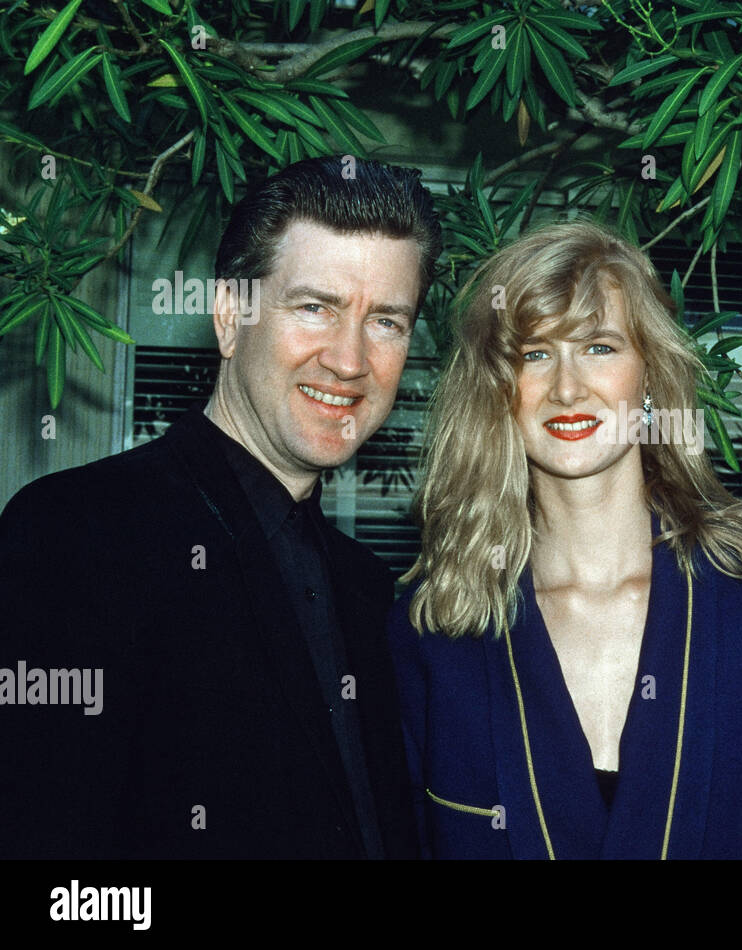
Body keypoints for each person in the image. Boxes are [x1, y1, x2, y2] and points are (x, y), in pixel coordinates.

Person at [0, 155, 440, 858]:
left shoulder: (371, 591)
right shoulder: (75, 534)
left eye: (386, 320)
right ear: (231, 317)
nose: (350, 359)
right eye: (315, 307)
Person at [388, 220, 742, 859]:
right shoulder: (435, 629)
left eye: (599, 346)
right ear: (498, 392)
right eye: (534, 354)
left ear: (650, 376)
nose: (568, 387)